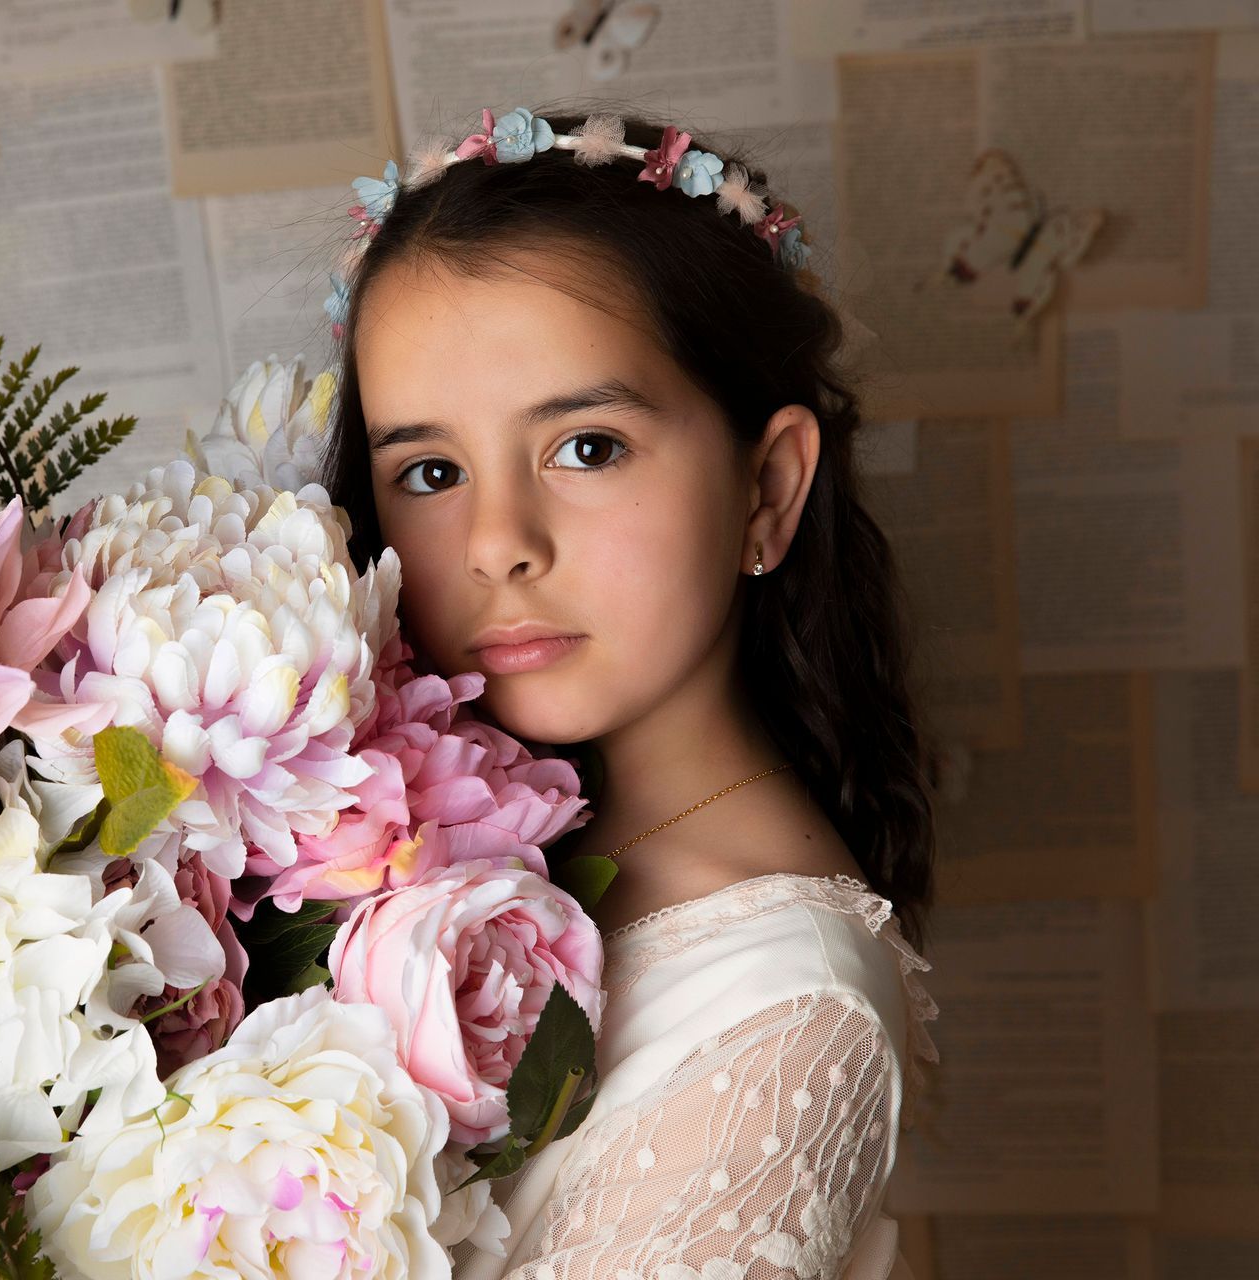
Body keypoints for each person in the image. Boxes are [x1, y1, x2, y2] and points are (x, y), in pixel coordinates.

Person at [320, 105, 942, 1279]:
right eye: (432, 471)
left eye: (587, 446)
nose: (499, 541)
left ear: (766, 486)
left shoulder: (782, 1012)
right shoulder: (388, 839)